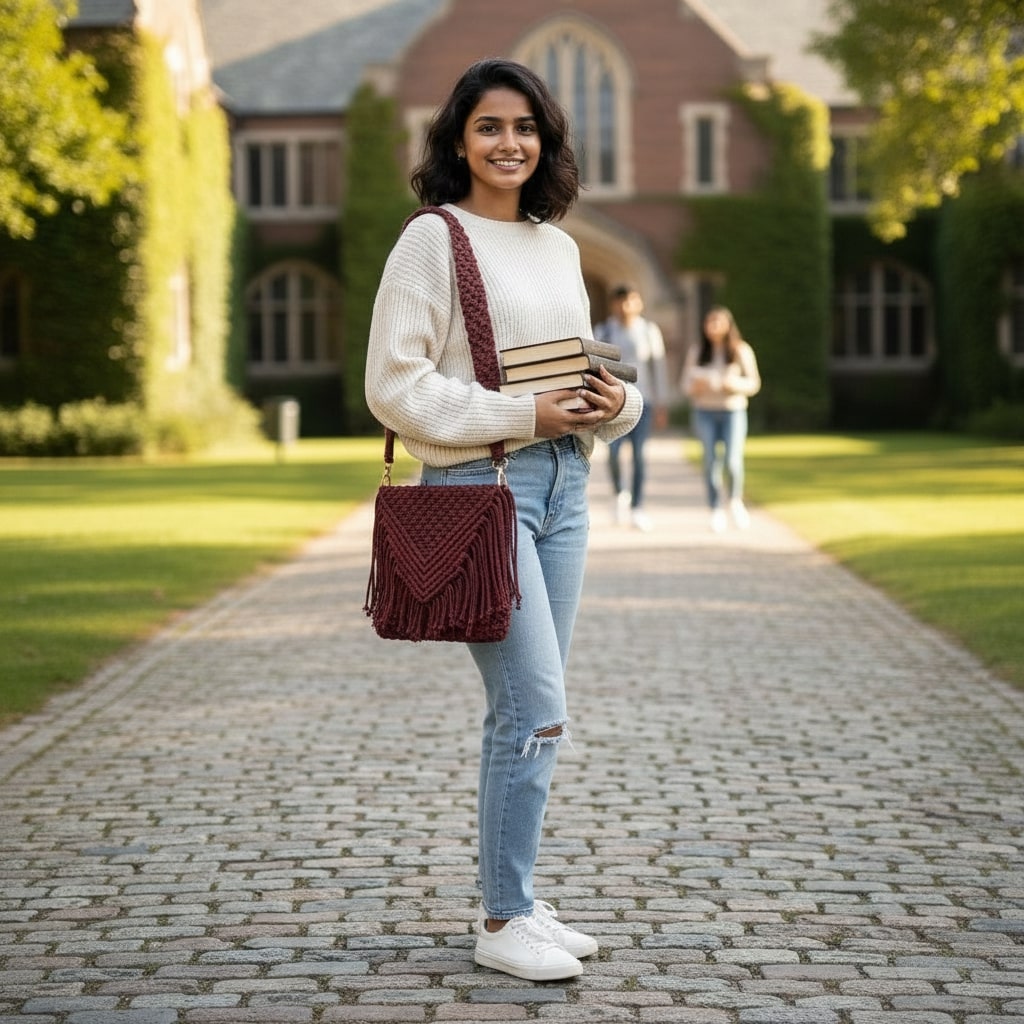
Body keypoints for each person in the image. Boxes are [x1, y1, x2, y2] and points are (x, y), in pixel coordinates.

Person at [364, 58, 642, 982]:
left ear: (545, 141)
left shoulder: (558, 246)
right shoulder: (431, 242)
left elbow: (578, 376)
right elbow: (395, 388)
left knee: (525, 710)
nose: (508, 143)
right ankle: (501, 918)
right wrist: (526, 415)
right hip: (481, 493)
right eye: (488, 127)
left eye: (524, 127)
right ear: (457, 140)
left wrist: (613, 405)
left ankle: (515, 897)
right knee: (536, 707)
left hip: (565, 486)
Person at [593, 284, 669, 531]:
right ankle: (618, 495)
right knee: (613, 455)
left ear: (639, 303)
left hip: (643, 402)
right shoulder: (603, 331)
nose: (626, 307)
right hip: (613, 403)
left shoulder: (649, 331)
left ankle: (637, 507)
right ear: (614, 304)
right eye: (621, 302)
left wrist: (661, 404)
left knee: (638, 456)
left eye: (631, 301)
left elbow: (658, 368)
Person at [680, 306, 761, 532]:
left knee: (733, 460)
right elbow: (685, 385)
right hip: (704, 412)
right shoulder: (697, 352)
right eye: (709, 322)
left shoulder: (741, 350)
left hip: (732, 411)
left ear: (728, 325)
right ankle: (715, 507)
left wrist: (732, 384)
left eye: (717, 322)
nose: (712, 327)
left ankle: (735, 501)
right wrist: (696, 386)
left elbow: (754, 383)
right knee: (710, 461)